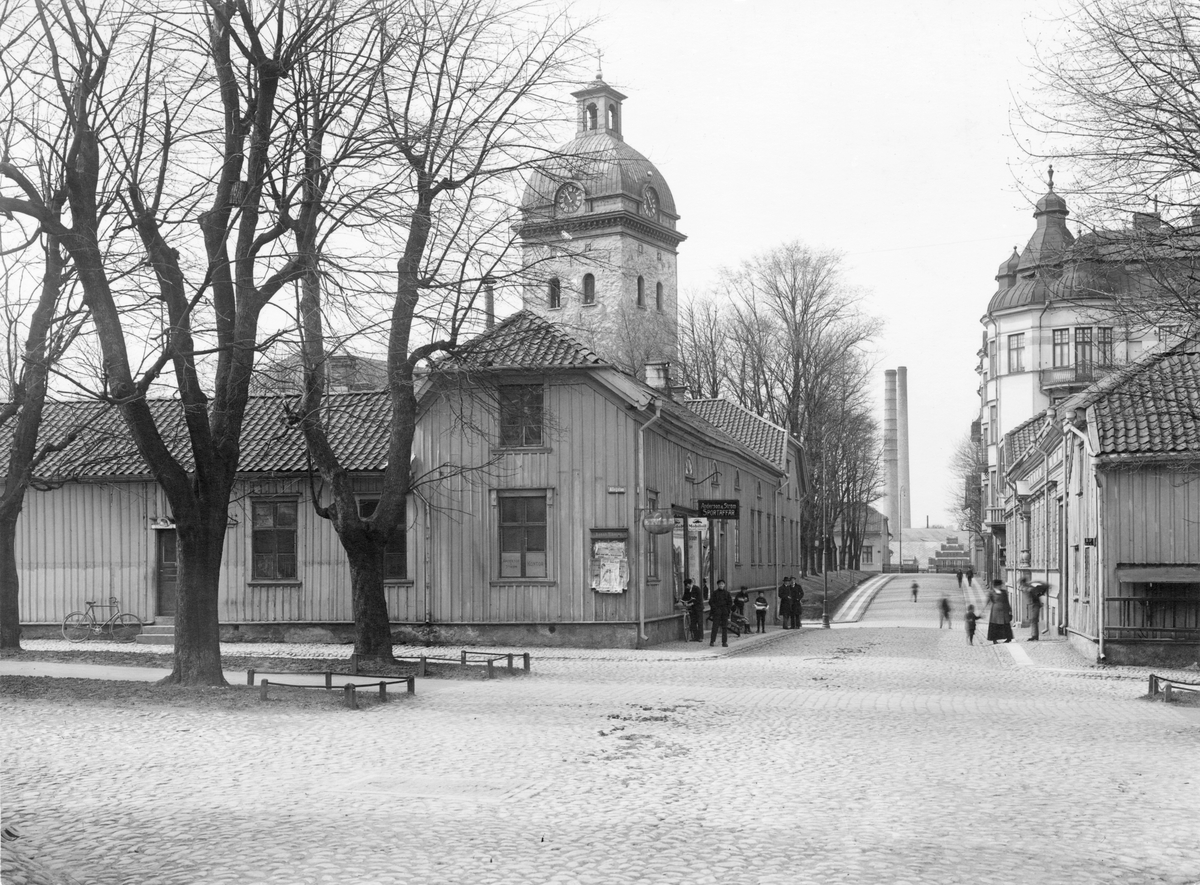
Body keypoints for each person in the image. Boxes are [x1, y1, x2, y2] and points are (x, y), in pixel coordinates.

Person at [985, 579, 1013, 644]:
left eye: (1000, 585)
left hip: (1004, 610)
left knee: (1006, 624)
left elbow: (1007, 601)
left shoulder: (1004, 592)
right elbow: (988, 601)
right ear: (996, 586)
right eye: (999, 585)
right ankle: (994, 639)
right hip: (995, 612)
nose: (1000, 586)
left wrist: (1009, 610)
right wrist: (984, 608)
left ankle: (1008, 638)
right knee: (995, 625)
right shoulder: (991, 592)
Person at [709, 579, 733, 647]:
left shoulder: (727, 593)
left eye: (722, 584)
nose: (721, 585)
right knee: (715, 627)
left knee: (724, 627)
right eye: (720, 584)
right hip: (717, 611)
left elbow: (730, 602)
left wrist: (727, 609)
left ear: (724, 585)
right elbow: (711, 602)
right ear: (718, 585)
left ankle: (724, 642)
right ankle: (712, 641)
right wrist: (715, 609)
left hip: (724, 611)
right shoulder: (715, 593)